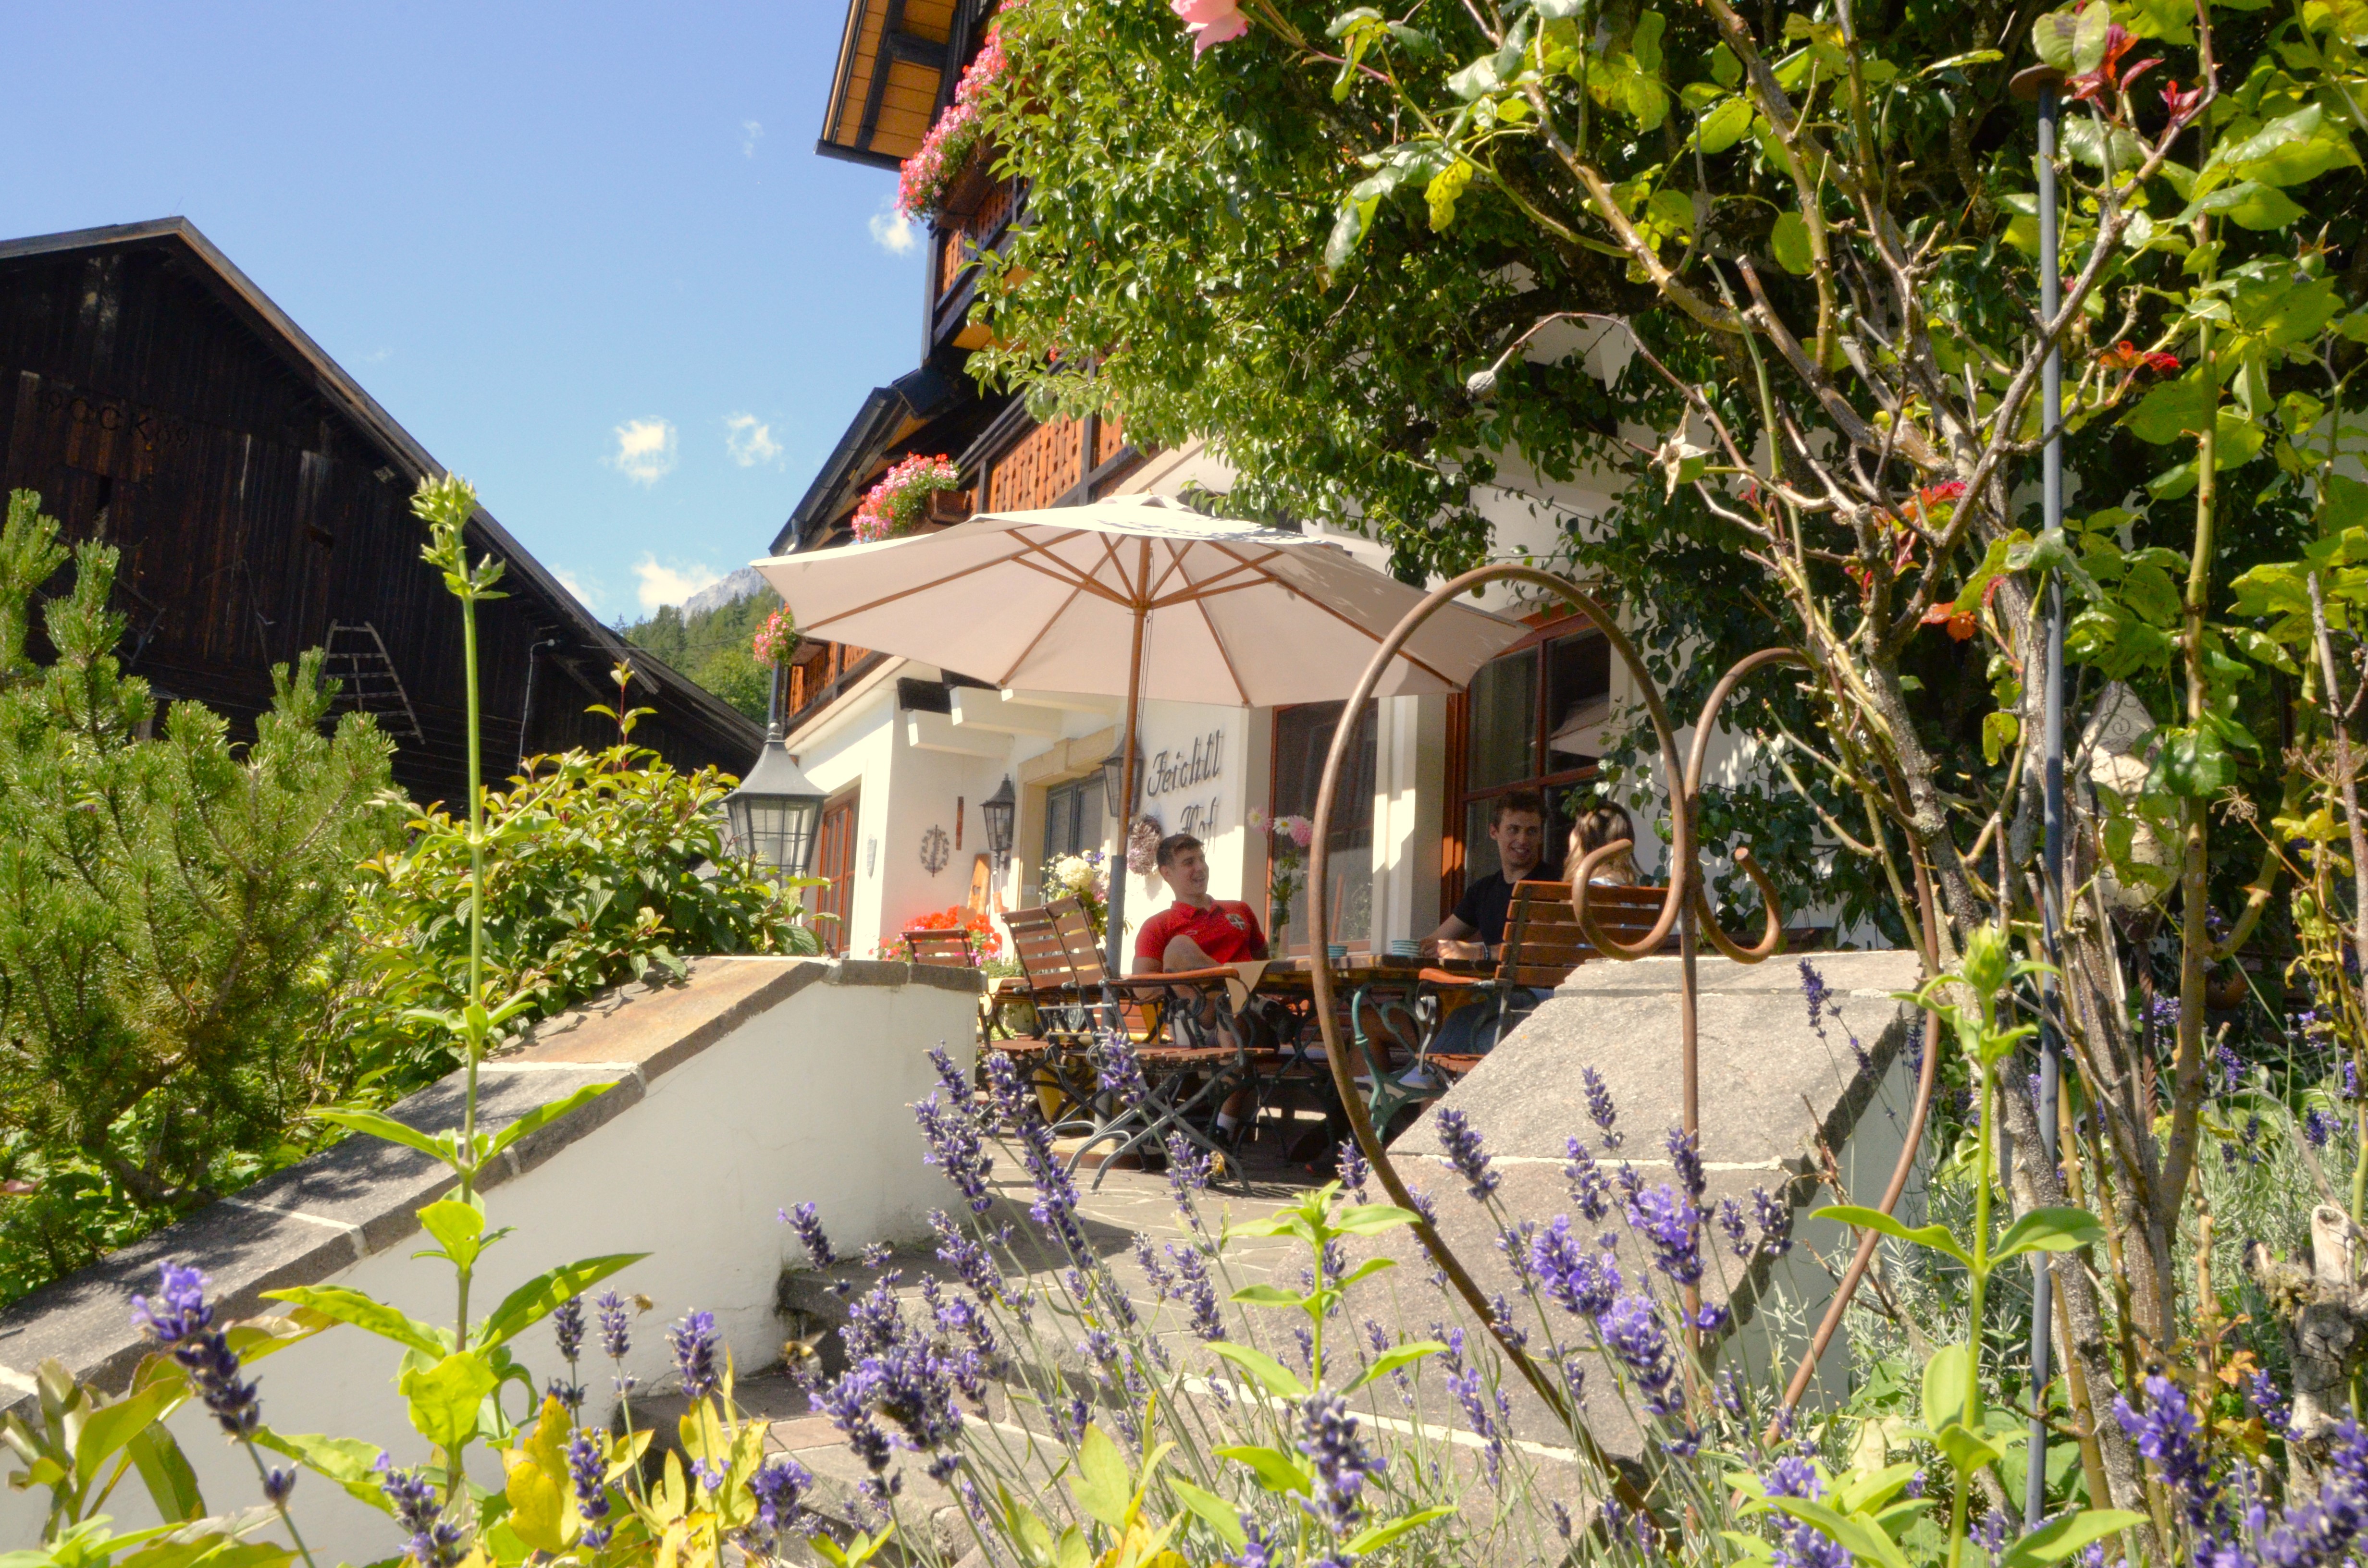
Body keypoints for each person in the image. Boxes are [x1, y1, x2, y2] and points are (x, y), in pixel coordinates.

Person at [1133, 832, 1268, 1145]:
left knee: (1231, 1018)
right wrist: (1188, 975)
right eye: (1188, 863)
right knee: (1180, 948)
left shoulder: (1240, 911)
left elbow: (1265, 964)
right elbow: (1143, 991)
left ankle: (1222, 1130)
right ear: (1167, 873)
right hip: (1196, 1016)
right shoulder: (1160, 925)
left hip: (1243, 1019)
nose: (1200, 868)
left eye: (1202, 859)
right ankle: (1233, 992)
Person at [1424, 790, 1548, 960]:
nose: (1523, 839)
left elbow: (1540, 948)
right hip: (1490, 985)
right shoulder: (1482, 891)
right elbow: (1435, 941)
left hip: (1540, 986)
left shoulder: (1555, 885)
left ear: (1541, 836)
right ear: (1493, 832)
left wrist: (1479, 953)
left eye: (1532, 831)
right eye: (1513, 829)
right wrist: (1415, 949)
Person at [1567, 802, 1642, 885]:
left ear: (1585, 842)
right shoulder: (1631, 887)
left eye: (1576, 827)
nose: (1572, 833)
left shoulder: (1589, 888)